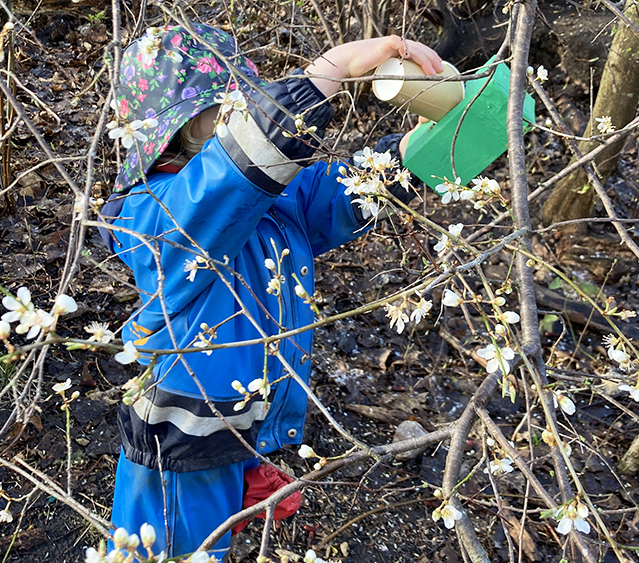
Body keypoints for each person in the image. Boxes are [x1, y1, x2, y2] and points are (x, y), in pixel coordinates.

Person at [99, 22, 442, 559]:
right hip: (181, 439)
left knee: (214, 539)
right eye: (225, 108)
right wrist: (328, 72)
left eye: (245, 102)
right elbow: (225, 183)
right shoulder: (157, 213)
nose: (240, 114)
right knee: (164, 551)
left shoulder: (269, 194)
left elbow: (339, 194)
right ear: (180, 130)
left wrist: (421, 152)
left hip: (244, 422)